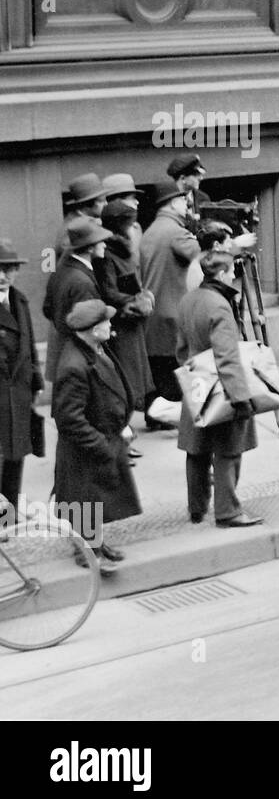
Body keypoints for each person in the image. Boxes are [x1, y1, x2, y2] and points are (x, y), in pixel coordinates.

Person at [52, 299, 140, 573]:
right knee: (85, 497)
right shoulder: (74, 366)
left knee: (96, 498)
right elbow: (69, 419)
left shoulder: (93, 349)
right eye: (105, 321)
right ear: (92, 329)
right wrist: (101, 445)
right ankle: (87, 553)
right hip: (85, 447)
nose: (110, 324)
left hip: (102, 437)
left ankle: (97, 545)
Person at [176, 250, 262, 527]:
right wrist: (240, 397)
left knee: (197, 448)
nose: (235, 276)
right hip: (222, 387)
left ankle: (197, 509)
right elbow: (227, 355)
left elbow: (180, 348)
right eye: (231, 272)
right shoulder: (220, 305)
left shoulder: (189, 299)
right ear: (222, 274)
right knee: (228, 449)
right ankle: (228, 511)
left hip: (196, 382)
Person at [140, 181, 202, 428]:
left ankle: (154, 415)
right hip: (172, 312)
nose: (186, 205)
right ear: (173, 203)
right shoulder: (176, 232)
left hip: (154, 311)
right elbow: (202, 253)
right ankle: (169, 417)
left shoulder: (152, 230)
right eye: (183, 201)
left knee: (159, 368)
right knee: (174, 369)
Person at [100, 200, 155, 429]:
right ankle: (122, 431)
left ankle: (125, 430)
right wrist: (133, 299)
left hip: (132, 323)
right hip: (122, 324)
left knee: (134, 380)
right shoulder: (108, 255)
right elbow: (108, 290)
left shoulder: (122, 250)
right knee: (126, 381)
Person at [0, 240, 41, 515]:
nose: (3, 276)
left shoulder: (20, 300)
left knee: (16, 453)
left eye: (9, 269)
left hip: (19, 391)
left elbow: (30, 342)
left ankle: (9, 510)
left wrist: (35, 380)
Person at [42, 217, 110, 385]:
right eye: (100, 241)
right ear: (90, 246)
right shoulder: (82, 281)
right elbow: (88, 324)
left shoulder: (60, 271)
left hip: (65, 351)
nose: (105, 245)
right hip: (82, 358)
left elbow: (47, 309)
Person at [53, 173, 109, 260]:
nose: (106, 204)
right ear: (88, 203)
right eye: (102, 200)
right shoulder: (72, 229)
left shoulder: (87, 221)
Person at [166, 154, 211, 233]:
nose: (201, 178)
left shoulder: (203, 198)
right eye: (196, 175)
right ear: (183, 178)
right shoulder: (167, 200)